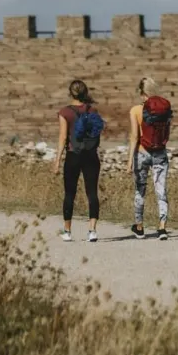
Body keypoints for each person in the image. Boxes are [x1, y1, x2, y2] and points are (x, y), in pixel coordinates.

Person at [53, 79, 106, 242]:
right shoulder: (92, 110)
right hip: (91, 155)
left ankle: (67, 231)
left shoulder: (65, 112)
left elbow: (63, 137)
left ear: (70, 93)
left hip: (73, 155)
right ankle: (92, 230)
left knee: (70, 193)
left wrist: (57, 160)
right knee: (92, 192)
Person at [127, 76, 174, 240]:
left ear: (142, 93)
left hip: (142, 152)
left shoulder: (135, 110)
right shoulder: (164, 109)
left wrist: (129, 161)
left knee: (140, 190)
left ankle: (139, 227)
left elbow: (134, 137)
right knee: (161, 189)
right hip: (160, 152)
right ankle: (162, 228)